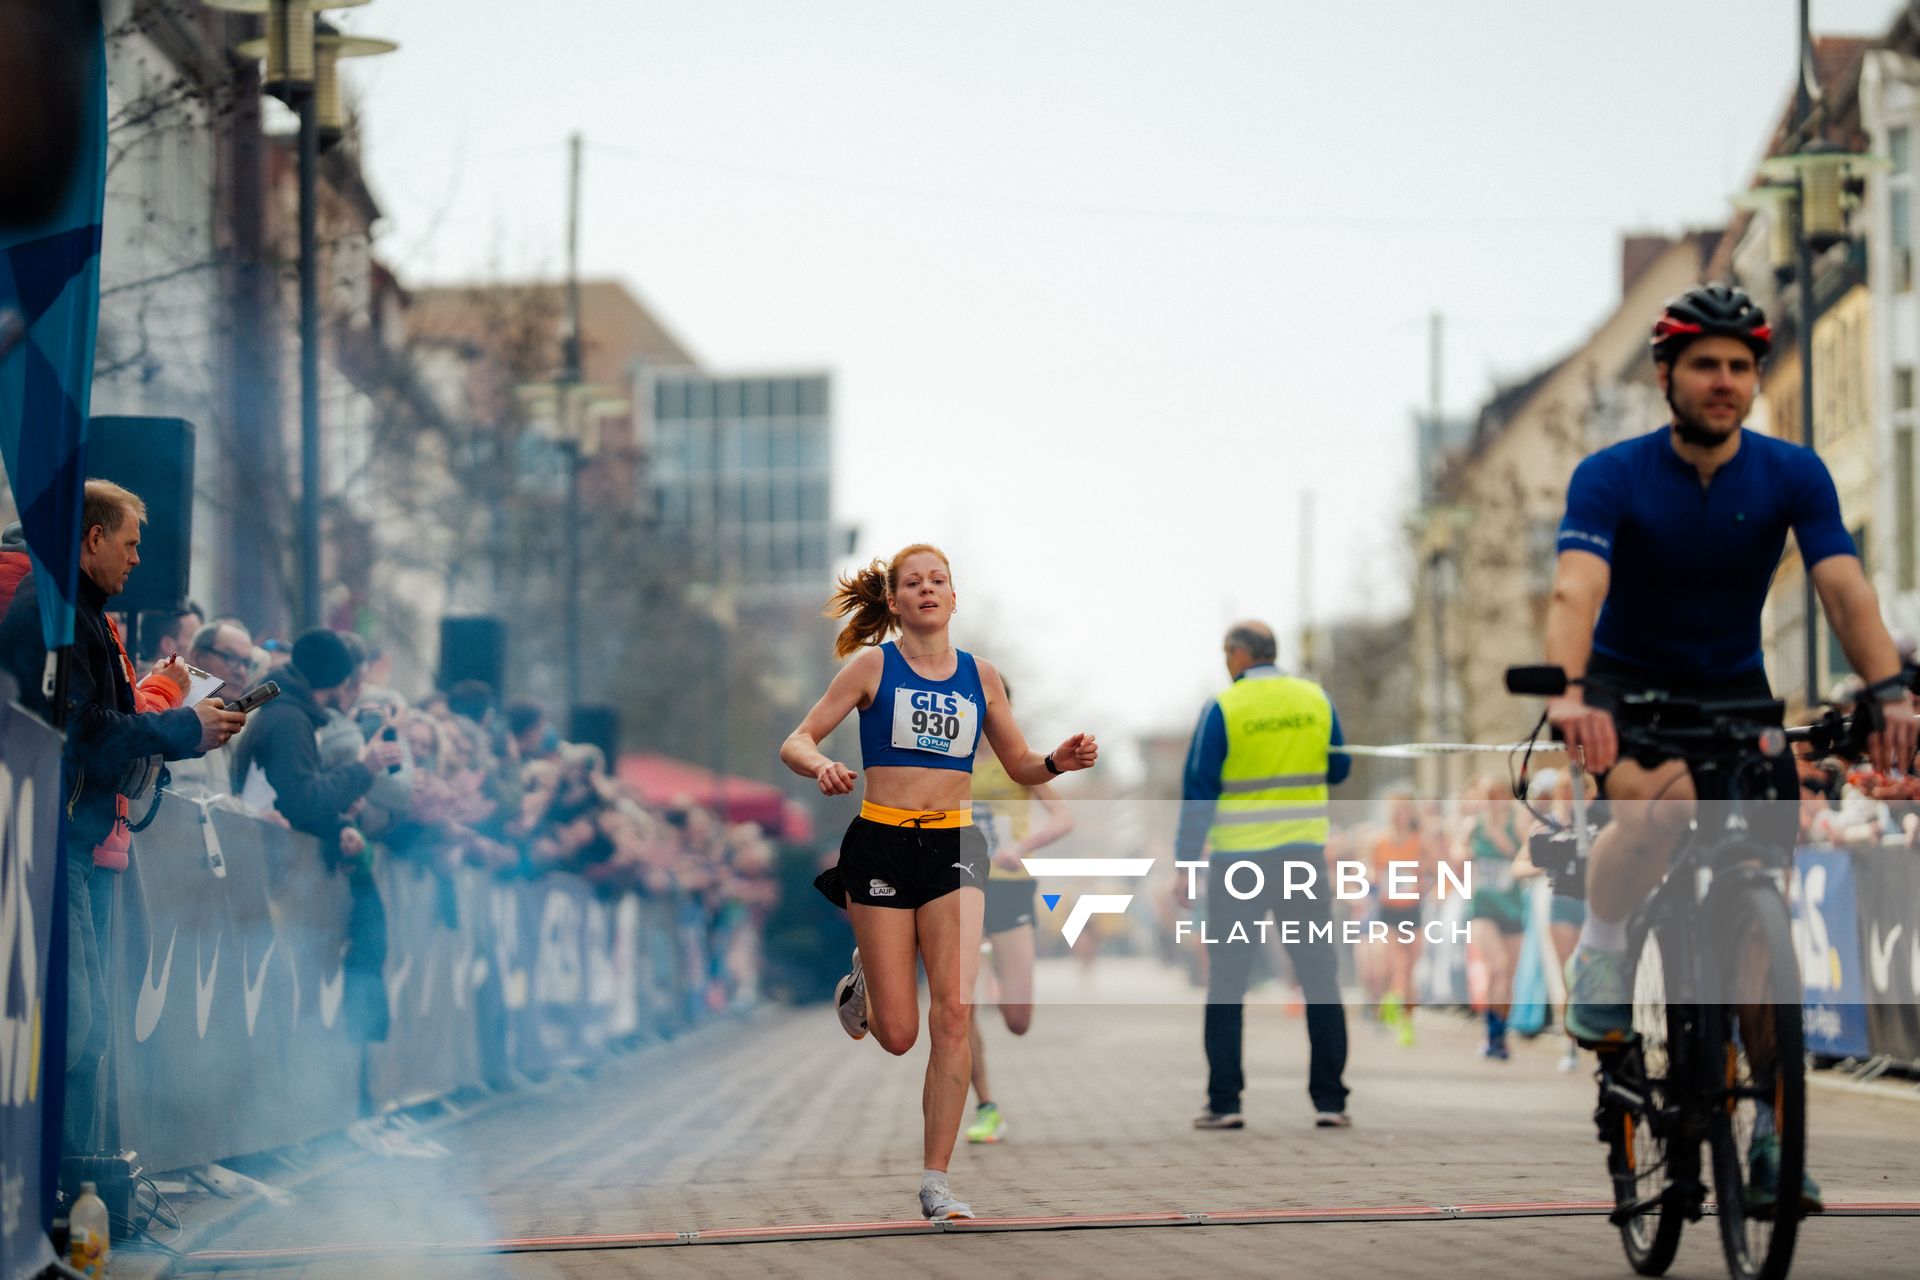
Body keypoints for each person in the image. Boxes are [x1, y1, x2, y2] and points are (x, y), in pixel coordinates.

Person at [1545, 283, 1920, 1212]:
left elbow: (1844, 587)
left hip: (1736, 696)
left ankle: (1770, 1139)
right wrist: (1568, 692)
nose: (1725, 382)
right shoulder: (1612, 474)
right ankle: (1601, 947)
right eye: (1706, 365)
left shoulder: (1792, 473)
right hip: (1627, 698)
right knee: (1662, 806)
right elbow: (1575, 592)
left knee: (1762, 896)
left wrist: (1888, 691)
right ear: (1667, 375)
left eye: (1741, 366)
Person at [779, 544, 1097, 1221]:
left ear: (955, 599)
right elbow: (797, 740)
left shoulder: (981, 677)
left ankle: (937, 1182)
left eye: (940, 580)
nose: (928, 589)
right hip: (880, 845)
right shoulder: (872, 667)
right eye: (913, 583)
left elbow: (1019, 766)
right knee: (896, 1034)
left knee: (953, 1013)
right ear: (894, 603)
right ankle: (866, 975)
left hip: (955, 844)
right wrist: (820, 766)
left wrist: (1056, 761)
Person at [0, 480, 245, 1155]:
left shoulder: (83, 615)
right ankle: (44, 1187)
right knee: (73, 1020)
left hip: (71, 839)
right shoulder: (51, 616)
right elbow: (86, 733)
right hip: (50, 841)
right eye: (131, 544)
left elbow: (108, 726)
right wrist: (179, 727)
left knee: (88, 1022)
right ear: (94, 538)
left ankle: (72, 1187)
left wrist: (182, 732)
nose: (138, 560)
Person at [1178, 620, 1352, 1131]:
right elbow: (1339, 769)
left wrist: (1186, 863)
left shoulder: (1224, 707)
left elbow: (1199, 791)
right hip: (1302, 858)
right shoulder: (1316, 699)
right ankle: (1330, 1100)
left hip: (1239, 863)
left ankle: (1226, 1102)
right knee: (1319, 975)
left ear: (1237, 654)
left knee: (1229, 980)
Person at [963, 676, 1073, 1145]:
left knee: (1018, 1020)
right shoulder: (952, 757)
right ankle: (986, 1105)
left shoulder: (1024, 758)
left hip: (1010, 886)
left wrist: (1022, 846)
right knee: (957, 1006)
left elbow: (1064, 818)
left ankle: (993, 965)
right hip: (959, 884)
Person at [1465, 773, 1528, 1060]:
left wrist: (1505, 844)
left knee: (1505, 977)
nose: (1493, 802)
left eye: (1498, 796)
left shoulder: (1518, 824)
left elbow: (1528, 855)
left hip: (1513, 908)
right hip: (1483, 908)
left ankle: (1498, 1035)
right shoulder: (1473, 826)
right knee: (1498, 966)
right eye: (1488, 797)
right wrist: (1465, 854)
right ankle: (1492, 1034)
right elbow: (1454, 851)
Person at [1369, 791, 1425, 1049]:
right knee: (1395, 965)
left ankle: (1407, 1021)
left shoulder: (1419, 841)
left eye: (1405, 808)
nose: (1400, 813)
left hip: (1412, 909)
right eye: (1396, 808)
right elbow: (1370, 872)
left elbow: (1433, 867)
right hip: (1388, 911)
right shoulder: (1380, 842)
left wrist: (1422, 881)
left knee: (1410, 970)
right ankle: (1390, 1004)